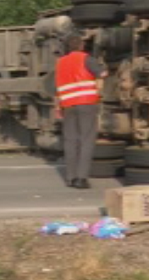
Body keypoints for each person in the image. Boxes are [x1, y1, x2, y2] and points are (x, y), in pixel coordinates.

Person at [55, 34, 107, 189]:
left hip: (68, 105)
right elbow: (102, 74)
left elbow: (56, 87)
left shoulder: (60, 63)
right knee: (86, 140)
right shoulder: (86, 58)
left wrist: (57, 107)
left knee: (70, 140)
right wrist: (103, 67)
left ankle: (70, 178)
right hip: (86, 103)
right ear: (81, 46)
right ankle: (81, 178)